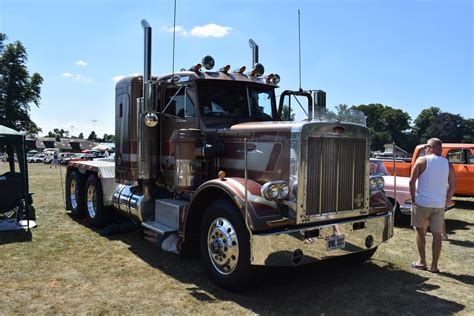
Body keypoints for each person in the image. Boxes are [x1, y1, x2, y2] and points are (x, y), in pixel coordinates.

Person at [409, 138, 455, 273]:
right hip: (439, 204)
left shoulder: (422, 160)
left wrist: (413, 199)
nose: (425, 149)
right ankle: (434, 266)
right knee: (437, 234)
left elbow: (412, 181)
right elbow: (452, 185)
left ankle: (421, 262)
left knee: (420, 232)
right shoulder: (447, 164)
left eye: (426, 146)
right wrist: (446, 200)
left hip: (422, 202)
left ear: (431, 147)